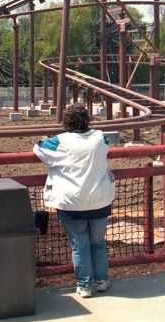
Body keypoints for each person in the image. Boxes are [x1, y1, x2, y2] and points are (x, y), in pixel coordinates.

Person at [33, 104, 114, 298]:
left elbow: (40, 148)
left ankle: (84, 285)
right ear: (87, 120)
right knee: (98, 243)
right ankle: (101, 280)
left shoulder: (60, 141)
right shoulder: (100, 137)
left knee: (79, 245)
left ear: (66, 122)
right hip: (99, 200)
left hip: (72, 202)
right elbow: (107, 146)